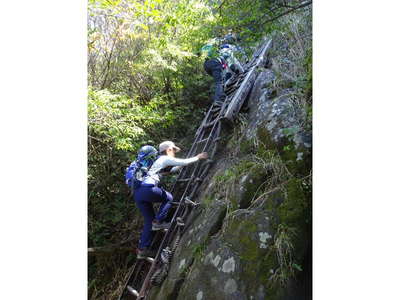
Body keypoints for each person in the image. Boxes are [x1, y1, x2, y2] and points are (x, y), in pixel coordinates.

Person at [135, 141, 208, 258]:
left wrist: (180, 166)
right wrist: (198, 157)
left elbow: (171, 170)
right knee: (168, 198)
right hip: (147, 189)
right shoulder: (164, 159)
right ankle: (158, 222)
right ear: (169, 150)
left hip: (138, 193)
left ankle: (142, 249)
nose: (174, 153)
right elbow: (183, 162)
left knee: (149, 220)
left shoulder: (154, 162)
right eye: (174, 150)